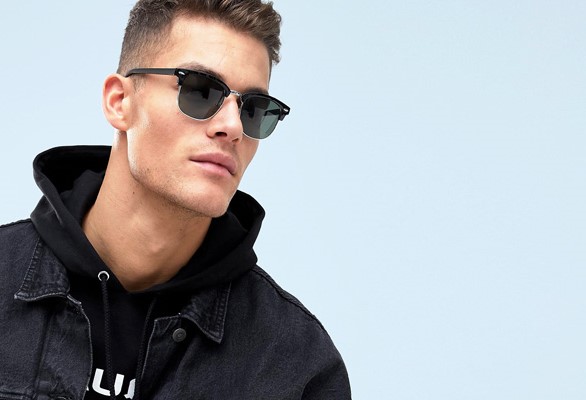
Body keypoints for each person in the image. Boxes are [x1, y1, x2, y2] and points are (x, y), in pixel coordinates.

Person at [0, 0, 351, 399]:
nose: (233, 127)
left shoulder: (296, 363)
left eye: (253, 109)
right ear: (119, 102)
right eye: (200, 90)